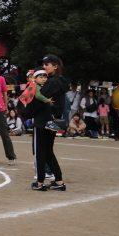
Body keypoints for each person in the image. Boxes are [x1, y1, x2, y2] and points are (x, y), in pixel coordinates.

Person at [29, 55, 69, 191]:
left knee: (40, 151)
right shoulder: (60, 81)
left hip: (43, 120)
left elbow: (38, 100)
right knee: (48, 151)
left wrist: (28, 111)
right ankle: (59, 181)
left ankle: (40, 183)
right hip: (53, 121)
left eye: (47, 64)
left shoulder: (51, 82)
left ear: (55, 66)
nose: (44, 67)